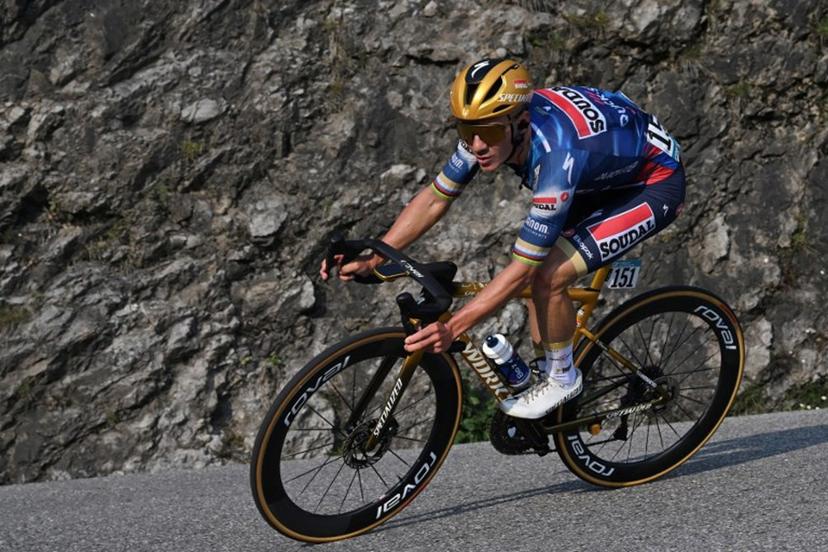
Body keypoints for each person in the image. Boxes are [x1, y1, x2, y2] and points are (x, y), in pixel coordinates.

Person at [321, 58, 685, 419]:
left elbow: (524, 269)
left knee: (547, 275)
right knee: (536, 278)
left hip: (652, 181)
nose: (477, 145)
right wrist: (375, 257)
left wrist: (453, 327)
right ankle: (553, 384)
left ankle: (562, 378)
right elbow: (434, 199)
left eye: (489, 134)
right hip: (600, 167)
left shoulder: (554, 157)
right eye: (466, 131)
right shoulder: (493, 126)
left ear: (521, 124)